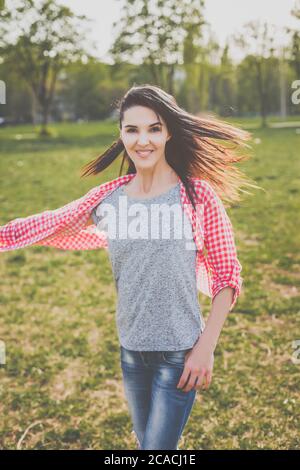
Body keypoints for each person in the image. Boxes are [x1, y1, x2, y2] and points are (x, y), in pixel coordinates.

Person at [0, 84, 258, 450]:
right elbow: (48, 222)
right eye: (132, 129)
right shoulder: (109, 200)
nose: (143, 141)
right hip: (131, 352)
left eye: (154, 128)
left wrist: (205, 348)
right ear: (120, 134)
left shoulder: (197, 196)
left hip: (179, 353)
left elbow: (227, 275)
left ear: (169, 130)